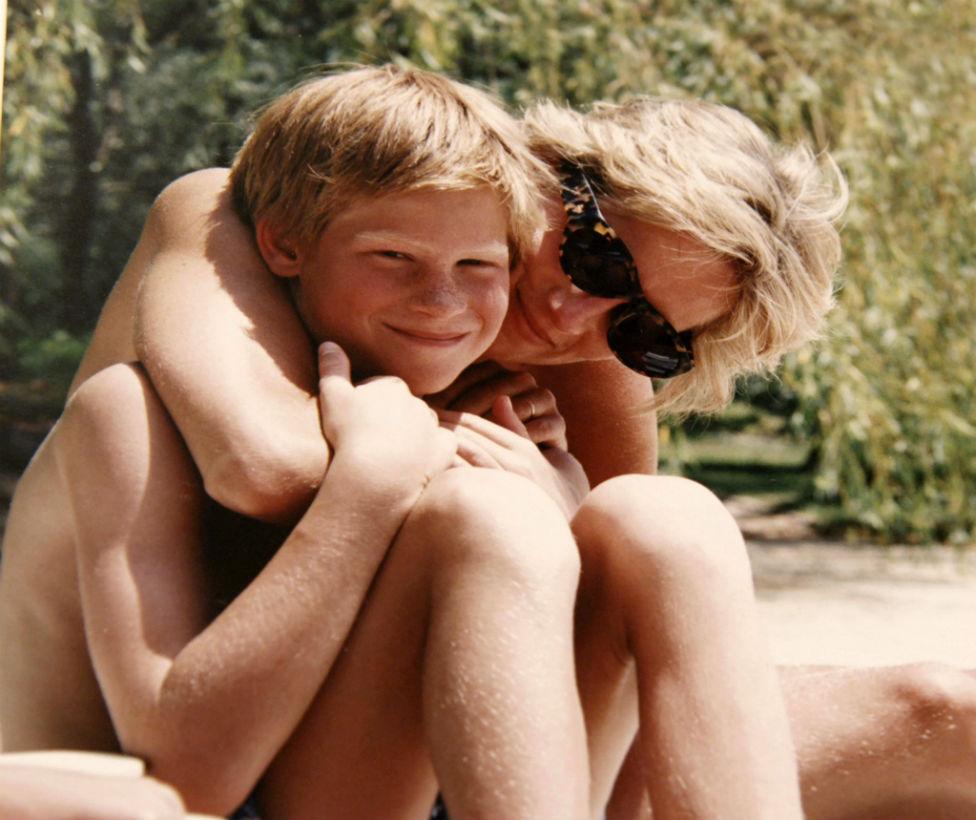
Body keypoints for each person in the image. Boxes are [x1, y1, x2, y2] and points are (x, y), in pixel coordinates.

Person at [83, 77, 976, 820]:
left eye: (646, 332)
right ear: (548, 172)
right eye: (597, 257)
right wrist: (445, 448)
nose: (569, 317)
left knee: (937, 703)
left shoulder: (593, 370)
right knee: (492, 512)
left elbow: (621, 621)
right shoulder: (243, 222)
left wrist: (565, 509)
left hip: (501, 761)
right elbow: (262, 467)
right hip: (270, 755)